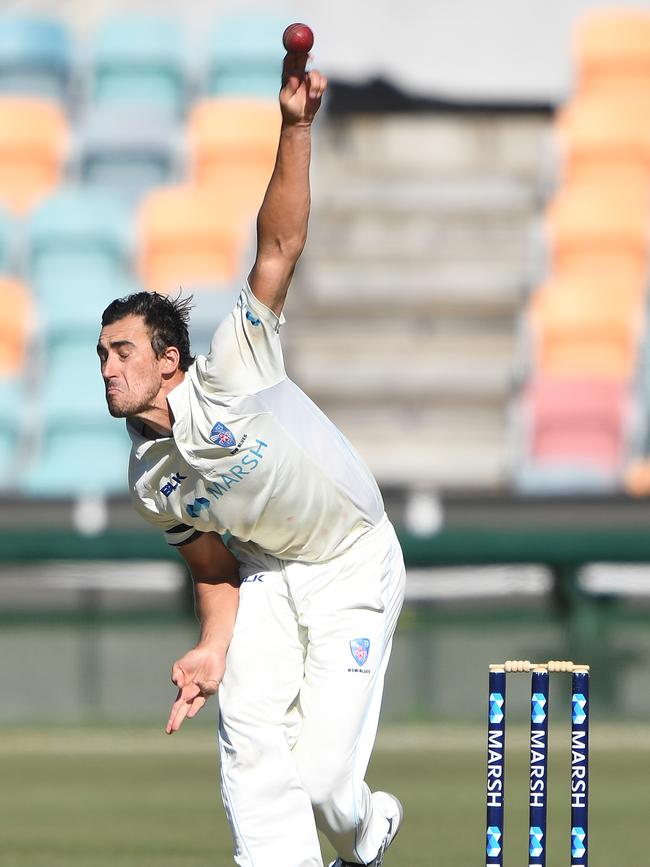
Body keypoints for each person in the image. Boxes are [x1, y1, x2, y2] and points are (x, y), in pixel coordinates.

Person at [97, 49, 406, 867]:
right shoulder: (149, 479)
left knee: (326, 781)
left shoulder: (235, 367)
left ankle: (366, 824)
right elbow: (212, 569)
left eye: (122, 351)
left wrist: (295, 127)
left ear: (169, 360)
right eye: (100, 356)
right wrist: (209, 646)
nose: (107, 368)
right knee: (249, 732)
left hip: (350, 560)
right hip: (268, 571)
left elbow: (279, 244)